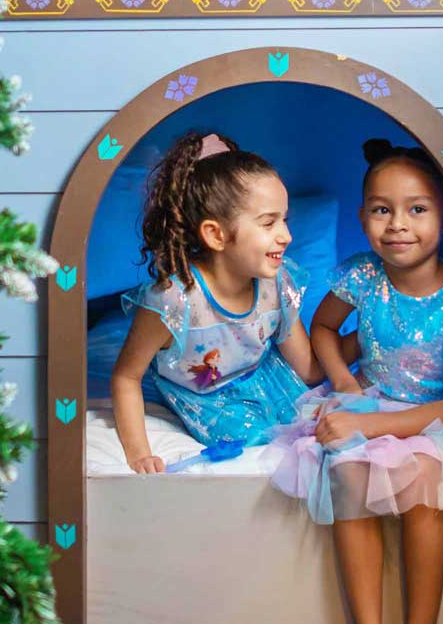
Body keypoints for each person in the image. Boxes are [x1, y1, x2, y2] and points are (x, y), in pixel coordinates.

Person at [268, 138, 443, 624]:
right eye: (381, 210)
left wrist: (368, 420)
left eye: (417, 209)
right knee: (348, 469)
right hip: (369, 402)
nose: (398, 225)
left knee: (422, 479)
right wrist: (343, 383)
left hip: (428, 420)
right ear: (363, 217)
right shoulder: (360, 274)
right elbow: (324, 328)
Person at [110, 130, 325, 471]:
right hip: (209, 399)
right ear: (216, 234)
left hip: (268, 379)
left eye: (285, 220)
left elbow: (310, 370)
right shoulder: (174, 301)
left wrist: (367, 342)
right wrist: (140, 454)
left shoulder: (276, 282)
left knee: (328, 430)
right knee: (267, 452)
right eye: (269, 223)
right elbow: (126, 377)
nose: (286, 236)